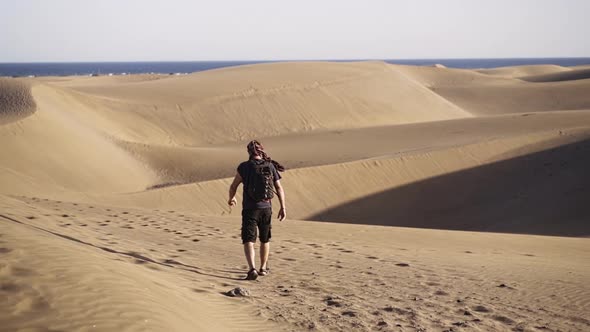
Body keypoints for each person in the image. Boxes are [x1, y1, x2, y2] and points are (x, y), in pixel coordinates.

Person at [228, 140, 286, 280]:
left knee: (249, 239)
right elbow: (279, 188)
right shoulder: (270, 166)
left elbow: (233, 186)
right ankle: (263, 268)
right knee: (265, 239)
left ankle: (252, 268)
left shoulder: (244, 167)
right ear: (261, 151)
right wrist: (283, 207)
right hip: (266, 208)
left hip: (250, 209)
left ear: (249, 152)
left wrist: (232, 198)